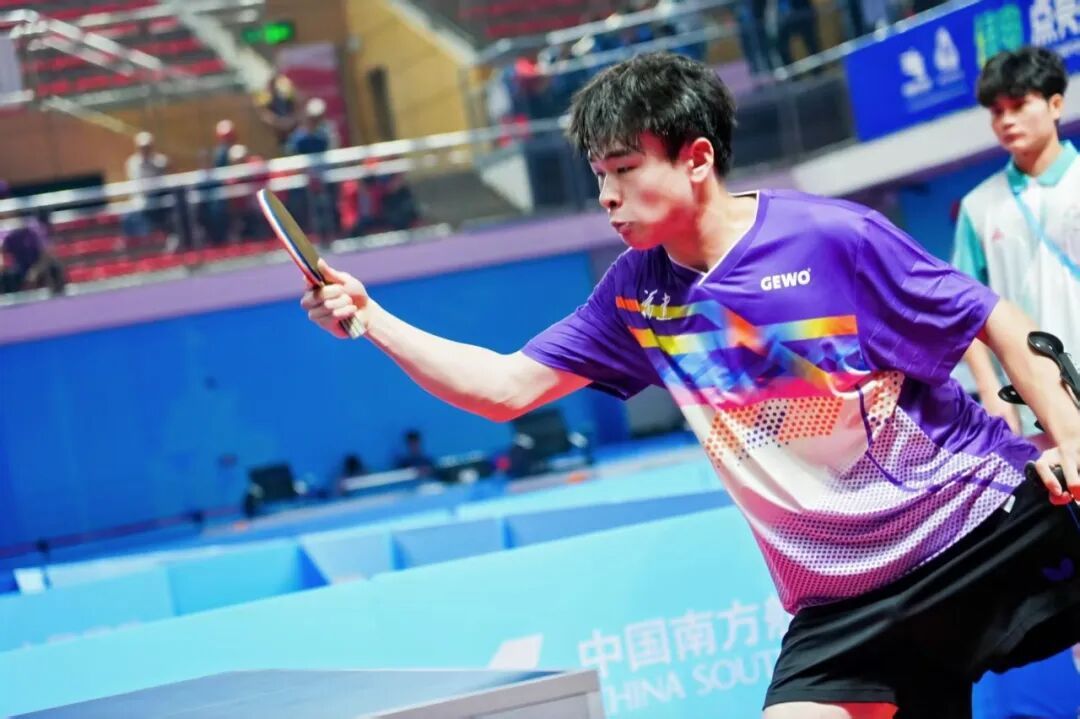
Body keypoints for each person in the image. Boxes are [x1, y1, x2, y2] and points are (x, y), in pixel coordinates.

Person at [301, 52, 1080, 718]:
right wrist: (372, 319)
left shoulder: (829, 238)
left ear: (697, 159)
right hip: (846, 602)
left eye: (624, 169)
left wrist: (1071, 438)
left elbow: (998, 319)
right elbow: (504, 387)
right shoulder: (636, 293)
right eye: (599, 175)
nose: (606, 195)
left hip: (973, 519)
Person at [953, 47, 1078, 437]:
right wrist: (990, 388)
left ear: (1055, 105)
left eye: (1019, 105)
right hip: (1035, 403)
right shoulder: (978, 206)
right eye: (997, 111)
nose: (1006, 120)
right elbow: (963, 310)